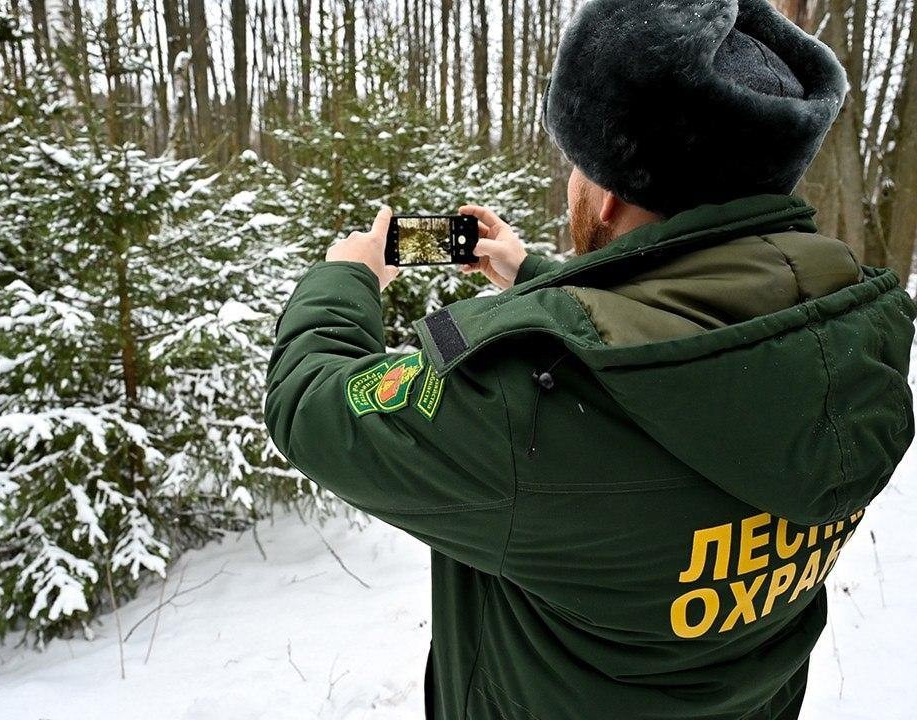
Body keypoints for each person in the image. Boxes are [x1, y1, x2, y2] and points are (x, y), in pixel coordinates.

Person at [263, 0, 916, 717]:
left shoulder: (524, 402)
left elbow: (310, 405)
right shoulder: (855, 345)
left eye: (576, 164)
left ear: (606, 197)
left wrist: (347, 274)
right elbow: (693, 330)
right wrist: (532, 273)